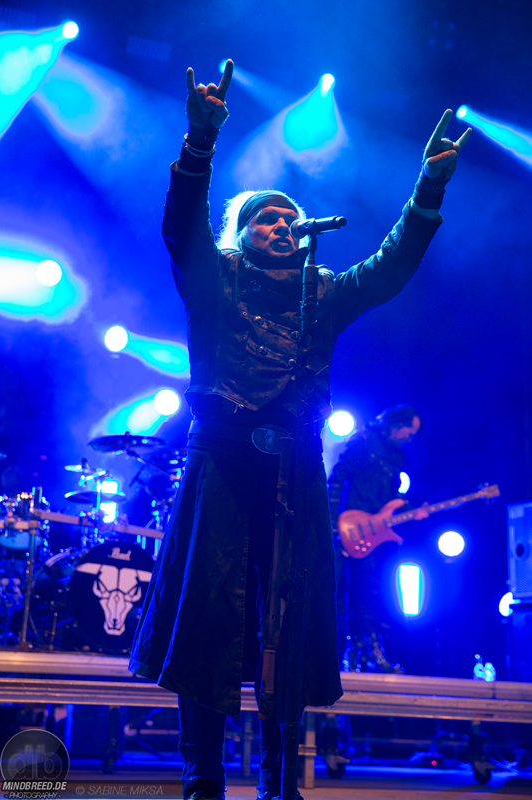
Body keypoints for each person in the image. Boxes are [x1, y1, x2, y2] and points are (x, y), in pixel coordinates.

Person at [128, 60, 471, 800]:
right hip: (221, 457)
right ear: (241, 232)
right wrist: (198, 142)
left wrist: (427, 190)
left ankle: (281, 782)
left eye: (289, 218)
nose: (282, 225)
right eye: (266, 218)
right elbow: (180, 225)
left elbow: (387, 270)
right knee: (208, 614)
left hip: (294, 464)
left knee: (288, 618)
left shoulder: (323, 290)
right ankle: (202, 779)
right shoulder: (214, 278)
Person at [328, 405, 427, 673]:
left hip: (378, 534)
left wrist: (412, 511)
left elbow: (392, 497)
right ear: (396, 425)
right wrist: (335, 524)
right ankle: (350, 652)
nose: (410, 438)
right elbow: (337, 479)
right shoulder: (363, 441)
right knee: (348, 591)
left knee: (374, 590)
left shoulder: (396, 455)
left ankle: (364, 652)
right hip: (351, 527)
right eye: (409, 432)